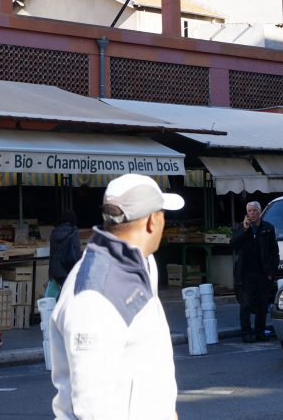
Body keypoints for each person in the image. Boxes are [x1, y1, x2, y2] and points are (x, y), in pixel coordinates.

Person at [49, 173, 184, 420]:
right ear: (152, 221)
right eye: (163, 214)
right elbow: (92, 404)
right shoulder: (96, 290)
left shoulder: (137, 263)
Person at [231, 200, 279, 343]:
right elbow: (233, 245)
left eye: (254, 211)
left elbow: (274, 252)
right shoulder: (241, 228)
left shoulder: (268, 228)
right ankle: (246, 333)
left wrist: (272, 271)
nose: (252, 213)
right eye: (250, 211)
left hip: (263, 273)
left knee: (262, 304)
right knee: (245, 304)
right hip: (245, 273)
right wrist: (244, 230)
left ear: (259, 212)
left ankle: (260, 332)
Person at [46, 210, 80, 298]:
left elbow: (52, 253)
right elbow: (76, 252)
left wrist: (50, 272)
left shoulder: (54, 232)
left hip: (55, 270)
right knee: (69, 296)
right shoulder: (73, 232)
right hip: (68, 268)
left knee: (56, 295)